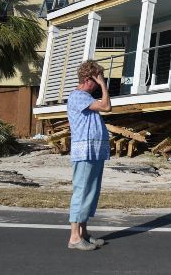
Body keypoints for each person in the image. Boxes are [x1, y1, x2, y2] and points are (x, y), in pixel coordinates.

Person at [66, 59, 111, 251]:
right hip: (84, 153)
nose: (98, 83)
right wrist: (102, 85)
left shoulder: (87, 98)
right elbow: (107, 106)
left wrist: (100, 83)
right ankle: (74, 237)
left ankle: (83, 233)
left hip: (94, 152)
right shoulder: (78, 96)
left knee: (91, 193)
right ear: (87, 79)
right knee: (82, 192)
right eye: (96, 79)